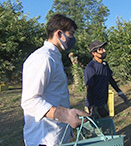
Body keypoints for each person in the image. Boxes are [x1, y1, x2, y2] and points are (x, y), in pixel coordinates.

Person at [21, 14, 89, 146]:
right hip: (44, 138)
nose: (73, 38)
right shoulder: (43, 58)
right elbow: (30, 101)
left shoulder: (54, 57)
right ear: (59, 33)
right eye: (71, 33)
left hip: (56, 132)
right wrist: (63, 114)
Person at [84, 40, 128, 119]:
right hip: (94, 105)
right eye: (100, 49)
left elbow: (110, 80)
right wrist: (91, 107)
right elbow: (88, 88)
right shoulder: (90, 68)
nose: (104, 51)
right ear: (94, 53)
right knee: (96, 129)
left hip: (103, 102)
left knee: (106, 124)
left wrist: (120, 92)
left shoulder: (105, 65)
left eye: (103, 48)